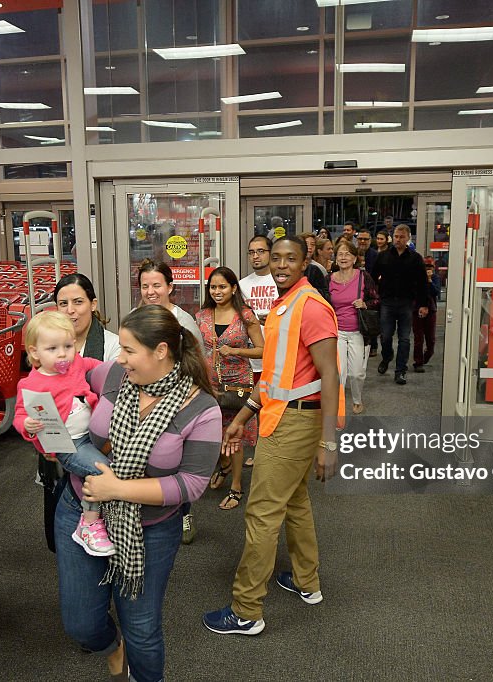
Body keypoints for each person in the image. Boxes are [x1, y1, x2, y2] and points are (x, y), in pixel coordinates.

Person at [55, 305, 221, 682]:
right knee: (81, 625)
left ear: (161, 351)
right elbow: (65, 375)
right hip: (81, 511)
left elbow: (190, 484)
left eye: (129, 350)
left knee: (142, 629)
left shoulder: (201, 409)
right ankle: (113, 647)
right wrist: (41, 418)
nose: (120, 357)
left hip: (149, 529)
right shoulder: (114, 374)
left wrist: (118, 488)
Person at [203, 235, 342, 637]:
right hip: (279, 415)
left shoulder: (311, 307)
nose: (280, 265)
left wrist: (328, 443)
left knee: (261, 513)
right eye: (275, 258)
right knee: (295, 501)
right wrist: (242, 415)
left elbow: (330, 375)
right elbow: (277, 377)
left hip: (296, 423)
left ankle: (246, 611)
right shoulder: (284, 306)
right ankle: (306, 581)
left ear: (305, 263)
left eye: (290, 259)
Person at [14, 311, 111, 555]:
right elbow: (18, 415)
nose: (63, 354)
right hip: (69, 444)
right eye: (53, 348)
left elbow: (92, 365)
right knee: (101, 471)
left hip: (92, 435)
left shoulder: (76, 362)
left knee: (103, 469)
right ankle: (89, 523)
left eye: (68, 346)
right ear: (35, 352)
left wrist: (115, 369)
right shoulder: (31, 384)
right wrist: (27, 425)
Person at [40, 273, 121, 553]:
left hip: (101, 447)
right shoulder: (47, 345)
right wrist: (48, 441)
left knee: (103, 534)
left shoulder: (112, 345)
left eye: (78, 302)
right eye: (63, 303)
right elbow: (39, 393)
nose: (70, 310)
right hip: (58, 446)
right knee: (60, 537)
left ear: (93, 304)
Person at [135, 259, 202, 541]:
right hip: (144, 402)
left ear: (170, 287)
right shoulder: (135, 317)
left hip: (176, 404)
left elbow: (197, 364)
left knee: (174, 463)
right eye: (145, 286)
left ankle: (183, 513)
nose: (151, 291)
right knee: (146, 461)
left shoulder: (183, 321)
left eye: (157, 285)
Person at [195, 267, 264, 509]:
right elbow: (197, 348)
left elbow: (262, 350)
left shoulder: (245, 315)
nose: (217, 291)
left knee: (235, 435)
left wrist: (235, 350)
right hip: (210, 383)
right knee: (214, 432)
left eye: (222, 286)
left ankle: (236, 486)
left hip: (237, 384)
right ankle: (223, 466)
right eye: (213, 287)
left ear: (233, 288)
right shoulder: (202, 315)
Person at [371, 224, 429, 385]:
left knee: (404, 339)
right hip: (387, 302)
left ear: (408, 238)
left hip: (406, 302)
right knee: (386, 336)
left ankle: (400, 371)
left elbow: (423, 282)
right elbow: (373, 278)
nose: (398, 239)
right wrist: (374, 296)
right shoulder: (383, 256)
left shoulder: (415, 258)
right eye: (396, 236)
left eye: (401, 237)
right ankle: (387, 356)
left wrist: (424, 304)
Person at [238, 235, 277, 468]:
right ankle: (261, 449)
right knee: (255, 405)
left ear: (270, 253)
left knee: (275, 404)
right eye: (251, 252)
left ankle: (272, 451)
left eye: (260, 251)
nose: (255, 256)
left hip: (278, 354)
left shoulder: (280, 280)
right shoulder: (243, 284)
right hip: (253, 356)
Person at [328, 240, 378, 415]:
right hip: (337, 332)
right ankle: (340, 404)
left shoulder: (364, 277)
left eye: (347, 254)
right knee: (339, 374)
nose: (343, 257)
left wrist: (365, 304)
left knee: (357, 373)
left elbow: (377, 300)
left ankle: (357, 399)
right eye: (340, 254)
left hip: (358, 332)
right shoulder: (330, 279)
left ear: (355, 258)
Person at [413, 259, 441, 373]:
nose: (428, 269)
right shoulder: (416, 277)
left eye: (430, 267)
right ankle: (418, 362)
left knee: (431, 338)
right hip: (416, 309)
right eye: (426, 267)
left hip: (431, 310)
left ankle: (426, 356)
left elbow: (436, 292)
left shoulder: (435, 278)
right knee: (418, 338)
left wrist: (429, 280)